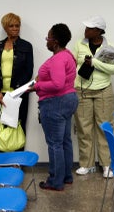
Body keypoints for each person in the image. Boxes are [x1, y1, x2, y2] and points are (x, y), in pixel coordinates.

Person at [30, 23, 78, 192]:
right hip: (68, 99)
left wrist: (37, 86)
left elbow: (57, 84)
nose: (46, 41)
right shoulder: (68, 55)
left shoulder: (58, 58)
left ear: (55, 41)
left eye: (48, 38)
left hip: (55, 102)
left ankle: (55, 181)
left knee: (55, 144)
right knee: (64, 141)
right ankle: (66, 176)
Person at [73, 16, 114, 178]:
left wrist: (94, 63)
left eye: (90, 29)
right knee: (84, 128)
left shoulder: (110, 47)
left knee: (105, 128)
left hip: (103, 90)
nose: (86, 31)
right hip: (82, 90)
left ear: (99, 31)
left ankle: (107, 164)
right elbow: (73, 65)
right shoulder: (79, 44)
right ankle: (86, 164)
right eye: (86, 28)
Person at [0, 12, 34, 143]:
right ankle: (1, 158)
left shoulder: (26, 46)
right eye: (11, 26)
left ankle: (17, 161)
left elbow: (28, 70)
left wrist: (15, 92)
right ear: (5, 27)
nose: (15, 28)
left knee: (18, 125)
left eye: (17, 25)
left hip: (19, 93)